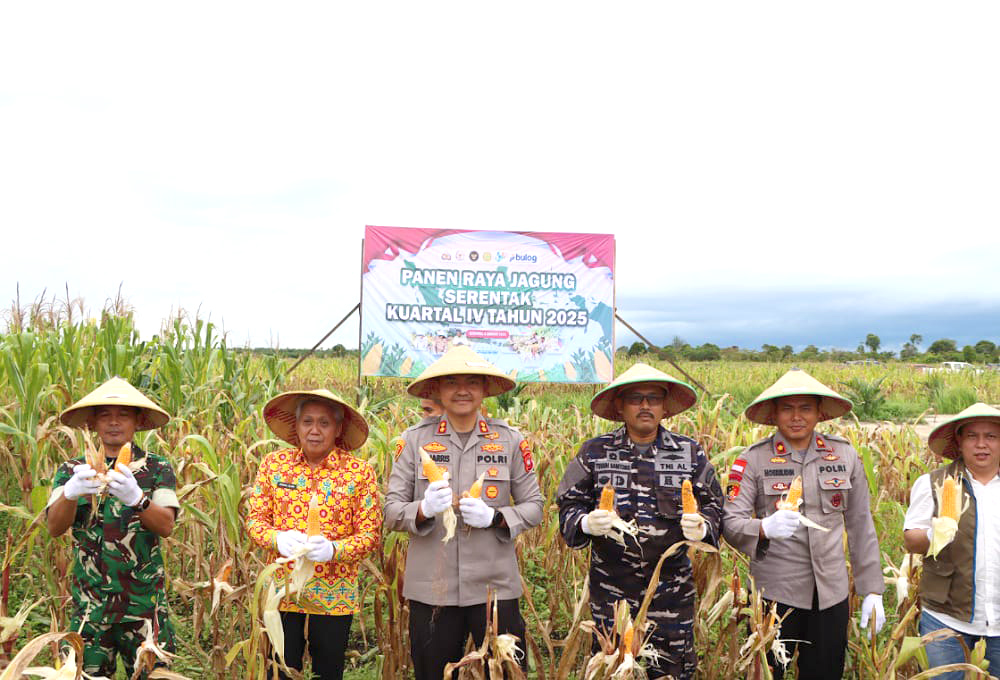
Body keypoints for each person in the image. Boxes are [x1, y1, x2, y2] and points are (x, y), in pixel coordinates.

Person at [384, 345, 543, 679]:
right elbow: (391, 511)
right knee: (433, 674)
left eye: (472, 381)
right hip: (432, 588)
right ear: (438, 391)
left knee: (506, 673)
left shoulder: (510, 440)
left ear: (484, 389)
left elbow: (534, 506)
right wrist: (424, 509)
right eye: (452, 382)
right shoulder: (413, 441)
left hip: (495, 588)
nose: (462, 390)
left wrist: (496, 517)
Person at [556, 363, 724, 679]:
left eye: (653, 398)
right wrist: (584, 523)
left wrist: (704, 526)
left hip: (671, 596)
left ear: (664, 406)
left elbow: (716, 505)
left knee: (671, 673)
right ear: (620, 406)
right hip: (611, 595)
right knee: (614, 670)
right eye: (635, 398)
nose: (645, 405)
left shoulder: (689, 452)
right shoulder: (594, 452)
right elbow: (567, 505)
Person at [723, 368, 885, 679]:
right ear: (774, 413)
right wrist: (763, 528)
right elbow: (731, 521)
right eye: (787, 408)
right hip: (775, 595)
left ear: (820, 412)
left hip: (831, 593)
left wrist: (872, 590)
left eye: (805, 408)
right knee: (766, 673)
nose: (796, 417)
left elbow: (861, 524)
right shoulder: (753, 460)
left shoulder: (843, 454)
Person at [46, 377, 179, 679]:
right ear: (92, 422)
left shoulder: (157, 468)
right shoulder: (73, 470)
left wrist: (138, 500)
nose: (114, 423)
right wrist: (71, 492)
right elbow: (54, 527)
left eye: (123, 415)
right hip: (90, 609)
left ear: (138, 420)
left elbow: (167, 526)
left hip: (144, 607)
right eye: (105, 414)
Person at [246, 389, 381, 680]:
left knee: (328, 672)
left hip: (334, 596)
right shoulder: (274, 465)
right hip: (282, 593)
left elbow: (370, 533)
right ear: (296, 426)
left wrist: (335, 550)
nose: (315, 430)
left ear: (338, 429)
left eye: (324, 423)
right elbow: (255, 521)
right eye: (307, 421)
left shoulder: (359, 473)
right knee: (279, 670)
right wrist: (276, 539)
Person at [903, 402, 1000, 678]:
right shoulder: (932, 483)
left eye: (991, 436)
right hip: (945, 619)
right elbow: (911, 540)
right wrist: (935, 534)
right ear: (959, 441)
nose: (982, 444)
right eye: (972, 436)